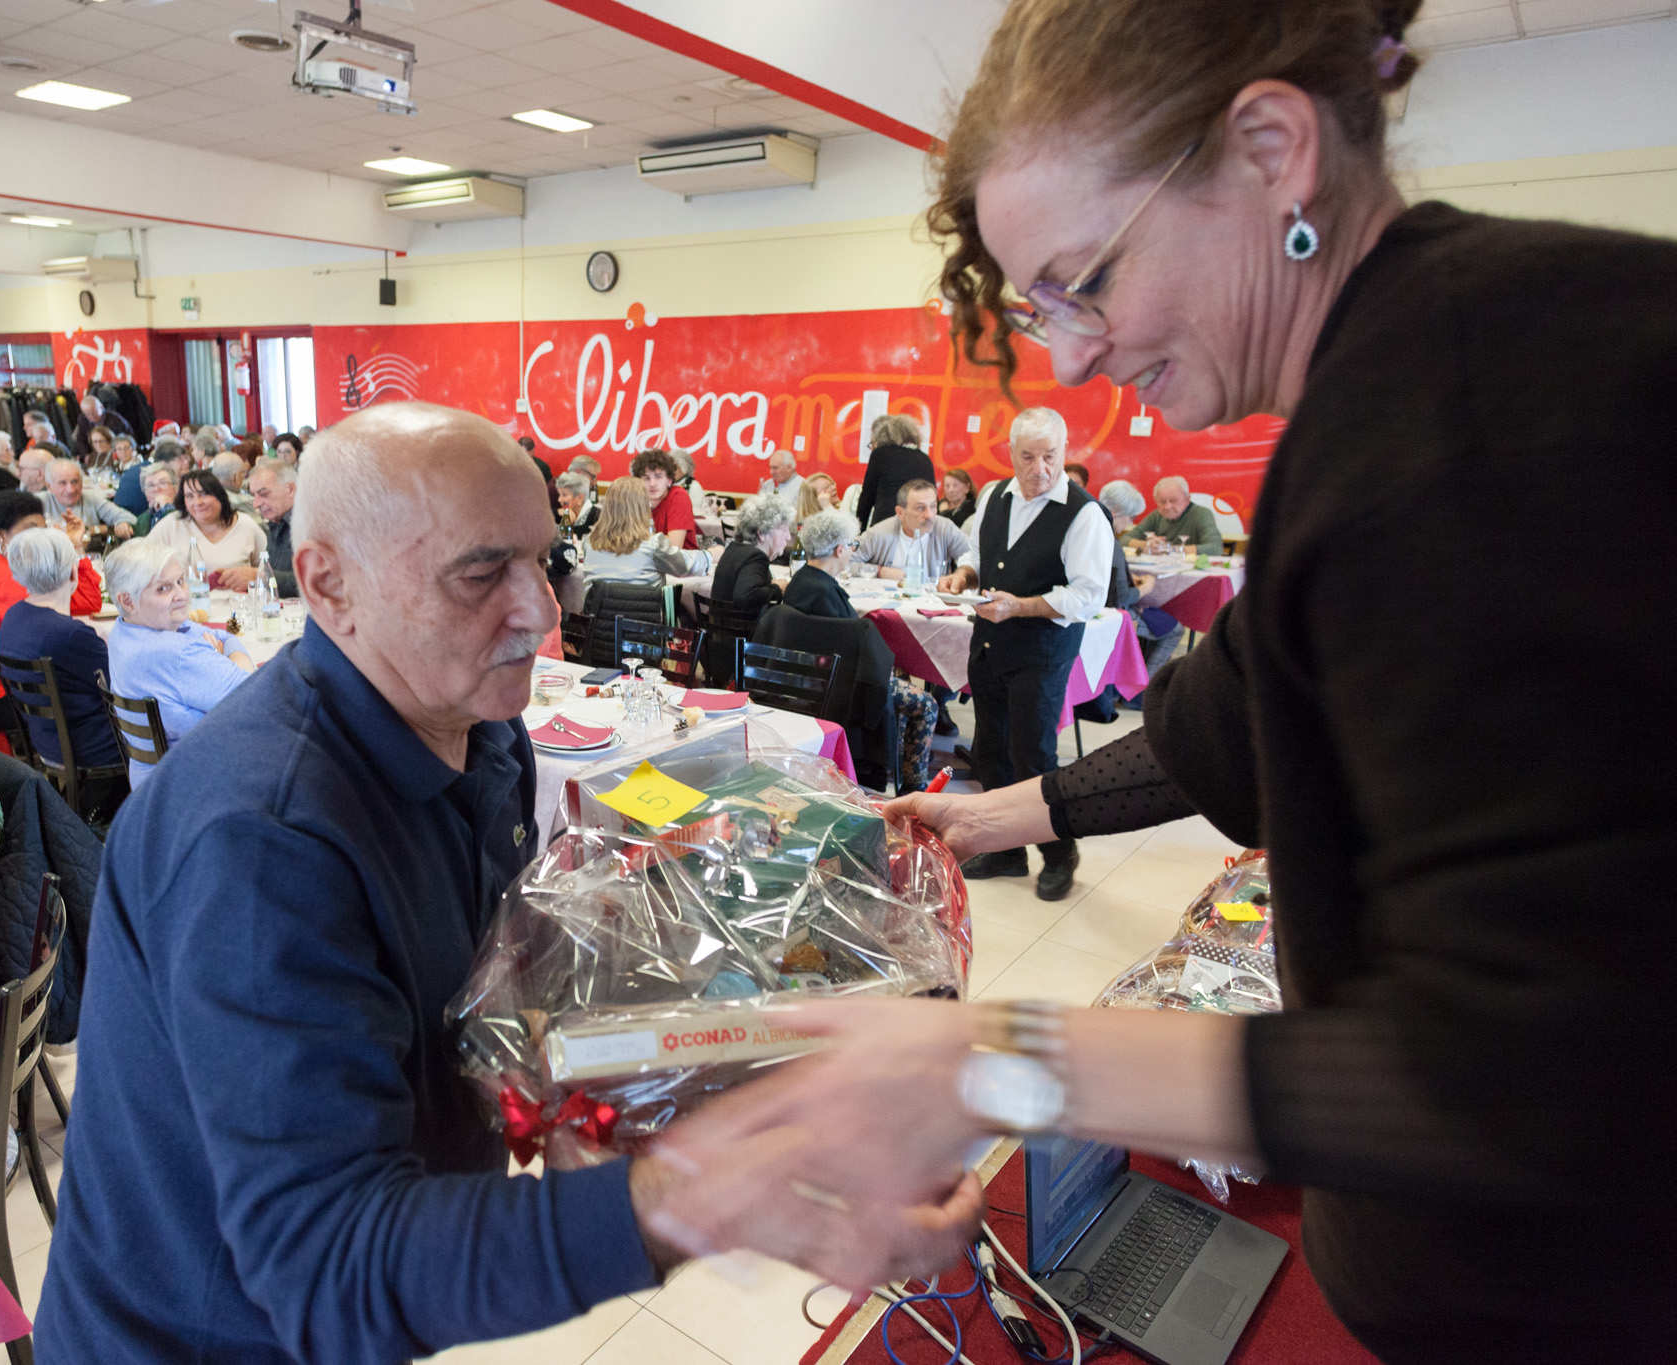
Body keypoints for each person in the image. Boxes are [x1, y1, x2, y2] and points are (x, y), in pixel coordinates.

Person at [646, 7, 1677, 1360]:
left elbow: (1532, 1071)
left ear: (1271, 151)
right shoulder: (1390, 389)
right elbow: (1225, 720)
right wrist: (986, 815)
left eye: (1085, 281)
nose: (1072, 356)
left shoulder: (1465, 419)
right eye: (1039, 310)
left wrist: (992, 1064)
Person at [38, 402, 698, 1364]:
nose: (543, 609)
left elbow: (469, 965)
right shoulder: (261, 837)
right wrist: (694, 1201)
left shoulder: (479, 724)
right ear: (329, 584)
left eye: (542, 559)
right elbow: (329, 1268)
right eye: (482, 572)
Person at [935, 408, 1112, 897]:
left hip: (1041, 650)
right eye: (1028, 457)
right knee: (992, 752)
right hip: (989, 646)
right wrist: (963, 577)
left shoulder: (1084, 514)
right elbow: (976, 556)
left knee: (1034, 758)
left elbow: (1087, 596)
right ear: (1011, 453)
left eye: (1050, 456)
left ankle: (1059, 853)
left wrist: (1020, 606)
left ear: (1064, 451)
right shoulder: (995, 495)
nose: (1040, 469)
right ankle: (1006, 850)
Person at [780, 509, 936, 792]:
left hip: (808, 681)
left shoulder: (800, 582)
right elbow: (854, 654)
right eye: (852, 546)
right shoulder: (826, 592)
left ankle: (898, 767)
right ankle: (914, 789)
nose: (852, 552)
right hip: (841, 689)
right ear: (839, 549)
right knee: (926, 704)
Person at [0, 491, 103, 752]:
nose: (41, 535)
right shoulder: (3, 576)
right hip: (2, 693)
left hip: (11, 682)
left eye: (44, 529)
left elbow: (86, 602)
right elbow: (78, 607)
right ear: (1, 536)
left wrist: (73, 548)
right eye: (31, 528)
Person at [98, 539, 254, 785]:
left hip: (152, 781)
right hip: (196, 785)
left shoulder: (123, 629)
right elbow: (253, 694)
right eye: (163, 589)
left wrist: (224, 656)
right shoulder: (176, 653)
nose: (181, 595)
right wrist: (228, 658)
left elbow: (224, 636)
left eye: (180, 581)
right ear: (127, 601)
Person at [0, 527, 123, 806]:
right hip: (95, 748)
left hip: (47, 742)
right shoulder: (71, 635)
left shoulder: (14, 616)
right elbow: (123, 686)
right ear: (74, 573)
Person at [1096, 478, 1181, 680]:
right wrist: (1146, 588)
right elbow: (1123, 597)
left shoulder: (1090, 530)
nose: (1131, 523)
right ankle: (1143, 685)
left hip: (1096, 607)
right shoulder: (1111, 543)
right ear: (1115, 512)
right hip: (1113, 613)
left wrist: (1128, 577)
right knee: (1174, 628)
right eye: (1131, 517)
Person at [145, 470, 264, 590]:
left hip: (238, 599)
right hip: (187, 600)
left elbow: (270, 568)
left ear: (219, 495)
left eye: (203, 494)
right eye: (189, 496)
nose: (197, 502)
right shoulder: (173, 524)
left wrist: (255, 574)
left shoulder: (245, 524)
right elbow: (142, 559)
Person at [580, 475, 709, 585]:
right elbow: (686, 565)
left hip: (598, 608)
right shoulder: (653, 545)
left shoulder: (589, 542)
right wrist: (709, 555)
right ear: (642, 508)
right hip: (644, 607)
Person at [856, 478, 973, 583]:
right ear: (900, 513)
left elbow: (974, 558)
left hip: (931, 599)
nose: (930, 515)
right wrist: (879, 571)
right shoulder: (879, 533)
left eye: (933, 506)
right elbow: (846, 562)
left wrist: (960, 575)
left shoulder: (945, 528)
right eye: (920, 508)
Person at [710, 492, 791, 615]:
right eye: (783, 529)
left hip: (719, 625)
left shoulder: (734, 549)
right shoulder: (755, 557)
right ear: (762, 533)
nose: (788, 536)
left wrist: (768, 586)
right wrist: (777, 589)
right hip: (741, 626)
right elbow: (746, 595)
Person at [853, 415, 936, 531]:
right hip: (915, 526)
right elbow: (932, 497)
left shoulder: (880, 454)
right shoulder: (924, 459)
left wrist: (858, 531)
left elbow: (866, 498)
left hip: (885, 524)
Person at [41, 457, 136, 542]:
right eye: (62, 483)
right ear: (49, 486)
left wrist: (87, 530)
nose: (71, 490)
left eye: (75, 482)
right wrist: (103, 529)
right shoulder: (40, 502)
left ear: (82, 483)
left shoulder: (91, 498)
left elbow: (131, 519)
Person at [1125, 474, 1223, 554]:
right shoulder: (1156, 516)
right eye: (1162, 502)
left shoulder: (1202, 514)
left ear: (1187, 499)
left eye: (1173, 501)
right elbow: (1124, 539)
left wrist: (1170, 549)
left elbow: (1215, 548)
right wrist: (1147, 545)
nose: (1167, 507)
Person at [246, 457, 298, 596]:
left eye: (263, 494)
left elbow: (318, 583)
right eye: (254, 495)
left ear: (290, 489)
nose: (256, 504)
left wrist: (260, 576)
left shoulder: (313, 524)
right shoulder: (276, 522)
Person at [629, 449, 698, 550]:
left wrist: (638, 538)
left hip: (681, 558)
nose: (652, 484)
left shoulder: (678, 496)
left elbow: (674, 545)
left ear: (669, 480)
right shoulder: (635, 498)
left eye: (658, 477)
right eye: (647, 478)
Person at [113, 436, 188, 515]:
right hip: (134, 517)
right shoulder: (153, 476)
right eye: (180, 459)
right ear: (163, 462)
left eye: (186, 458)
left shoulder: (142, 467)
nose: (186, 463)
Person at [130, 462, 181, 538]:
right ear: (145, 493)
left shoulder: (185, 514)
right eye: (151, 485)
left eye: (162, 483)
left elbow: (179, 533)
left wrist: (167, 508)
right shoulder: (142, 520)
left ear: (175, 488)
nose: (156, 489)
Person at [212, 449, 257, 516]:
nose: (244, 475)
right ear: (235, 476)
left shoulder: (210, 494)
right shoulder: (243, 502)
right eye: (242, 472)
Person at [556, 470, 600, 535]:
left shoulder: (597, 517)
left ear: (580, 498)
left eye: (564, 495)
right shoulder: (561, 514)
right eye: (559, 495)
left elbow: (580, 532)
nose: (559, 499)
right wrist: (557, 513)